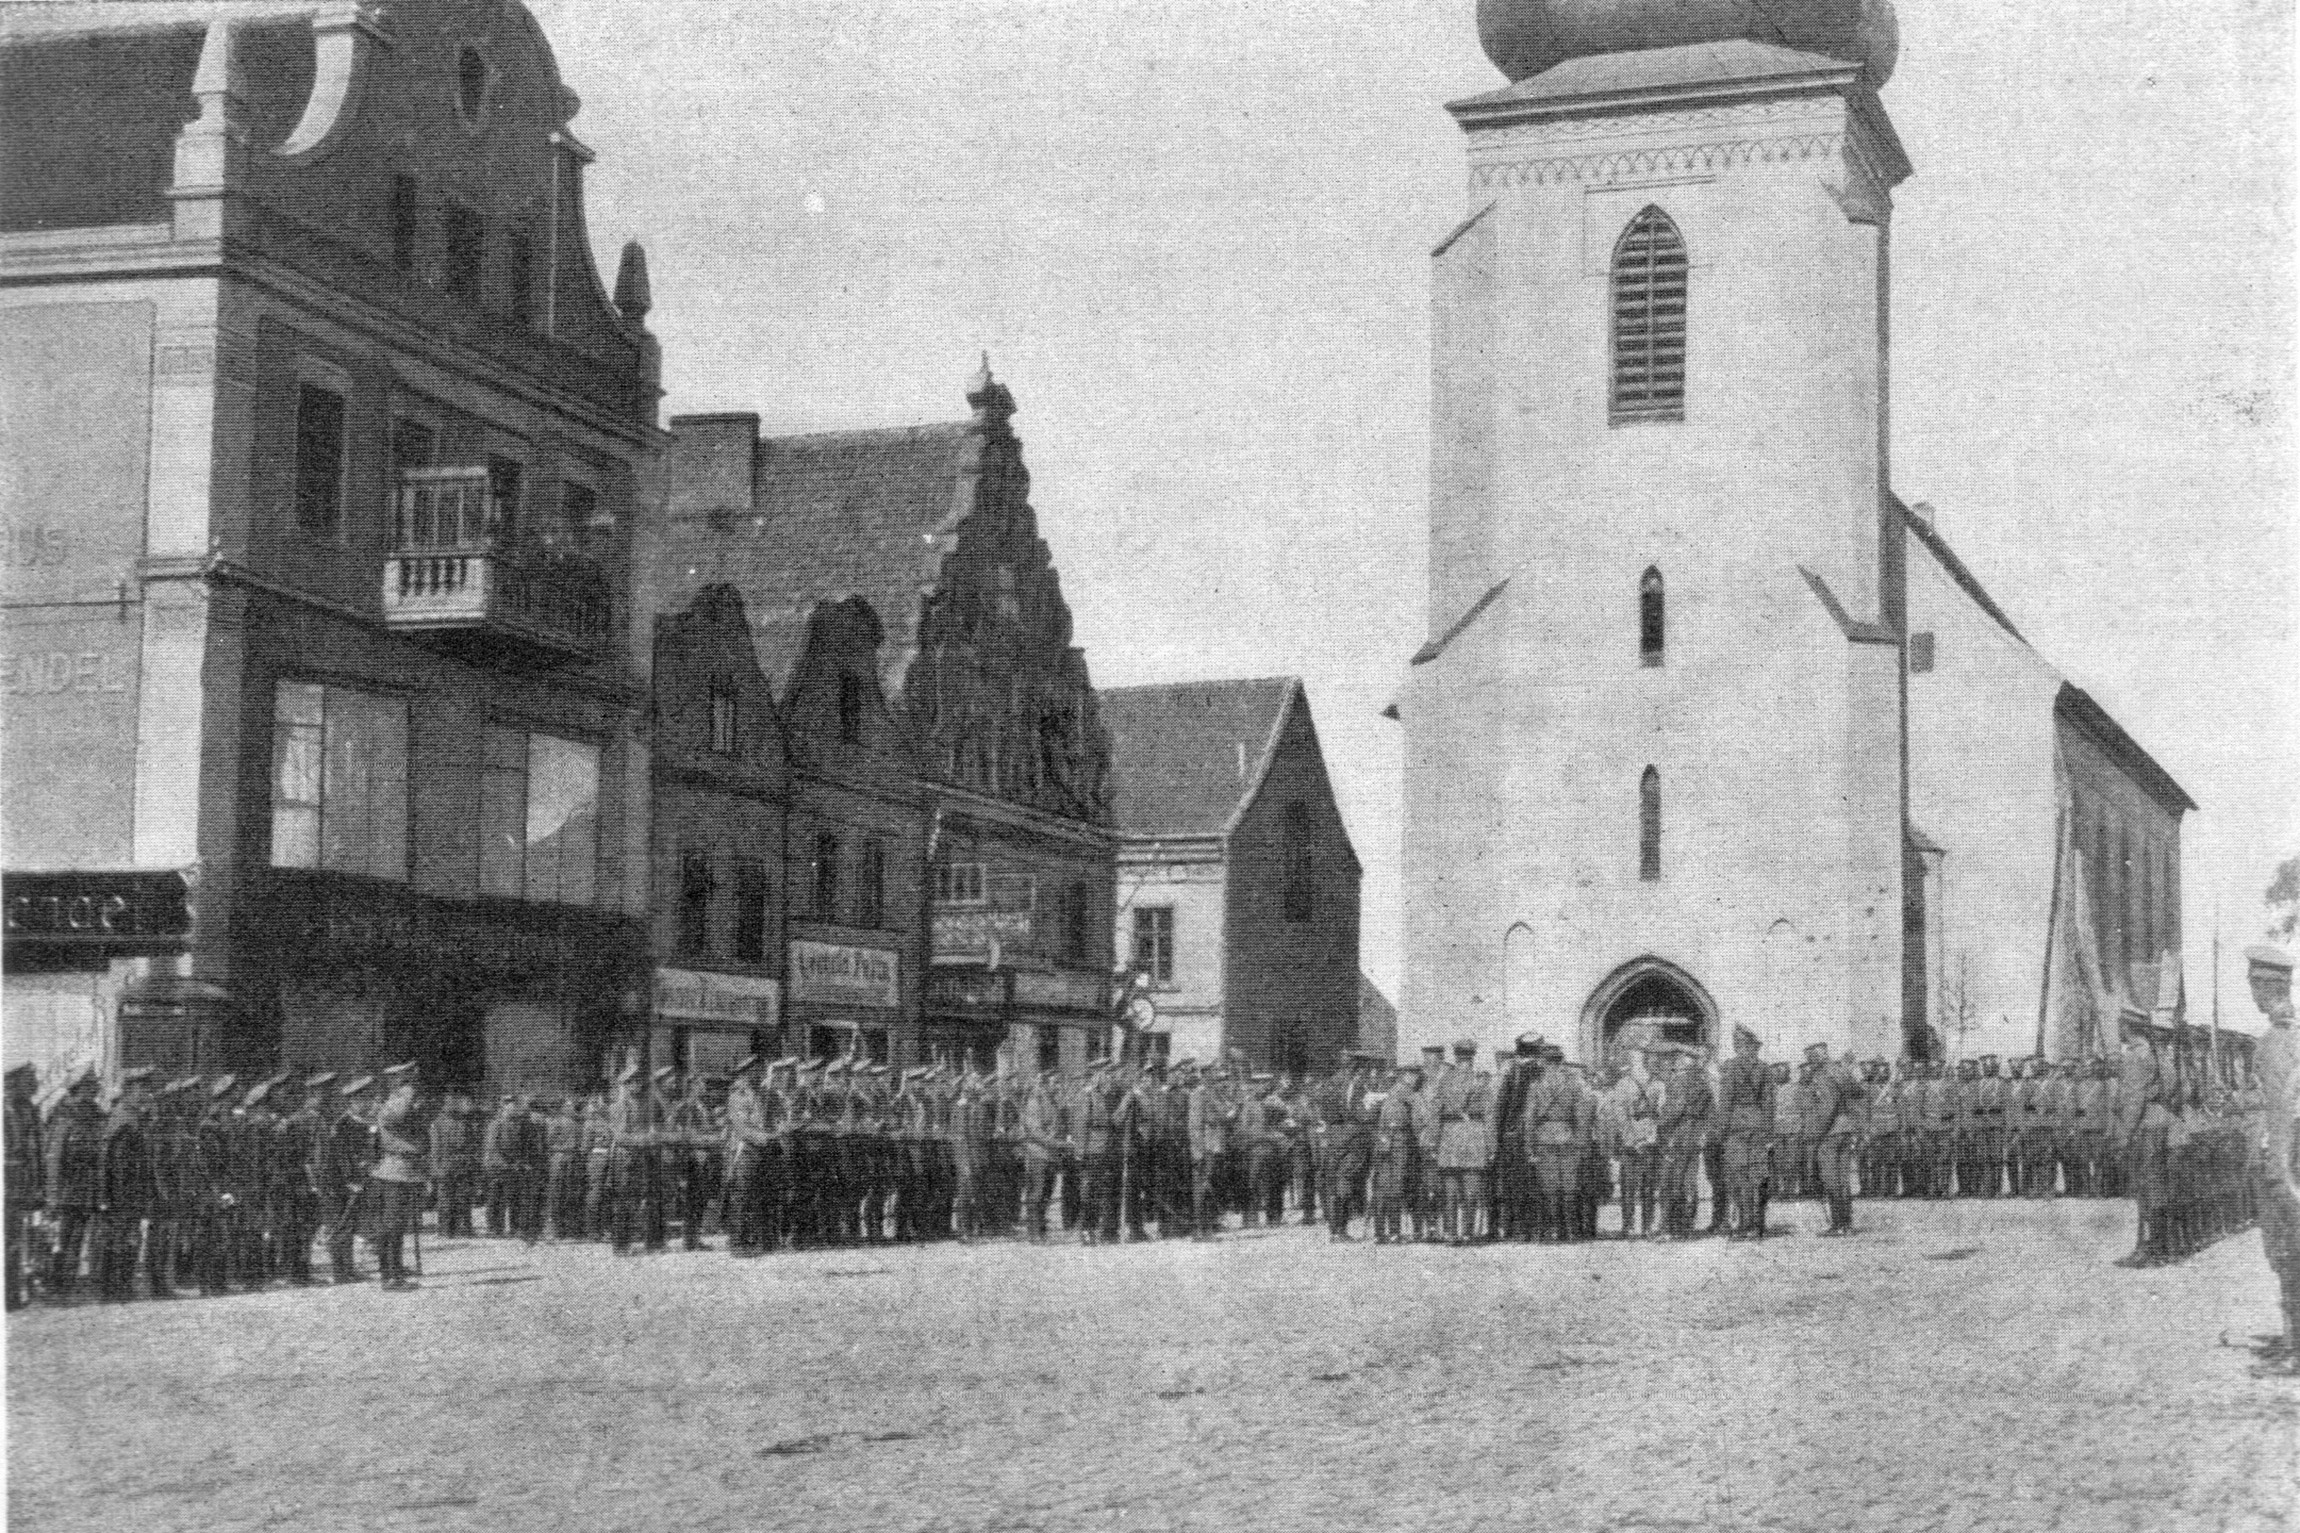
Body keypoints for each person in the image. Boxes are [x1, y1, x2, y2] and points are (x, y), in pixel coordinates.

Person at [2245, 945, 2298, 1371]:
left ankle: (2296, 1346)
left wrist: (2278, 1167)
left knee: (2287, 1250)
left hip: (2289, 1160)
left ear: (2266, 987)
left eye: (2253, 985)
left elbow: (2283, 1107)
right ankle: (2292, 1338)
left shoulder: (2276, 1041)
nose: (2251, 994)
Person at [2113, 1027, 2178, 1267]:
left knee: (2145, 1188)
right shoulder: (2159, 1055)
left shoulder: (2134, 1056)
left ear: (2126, 1027)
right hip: (2161, 1122)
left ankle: (2147, 1249)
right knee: (2158, 1186)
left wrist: (2123, 1136)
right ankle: (2161, 1246)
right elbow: (2172, 1086)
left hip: (2144, 1126)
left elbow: (2133, 1099)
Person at [44, 1071, 106, 1299]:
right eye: (90, 1086)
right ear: (78, 1087)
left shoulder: (97, 1115)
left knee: (77, 1238)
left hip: (88, 1189)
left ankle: (68, 1284)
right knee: (61, 1239)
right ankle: (55, 1284)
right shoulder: (63, 1115)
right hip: (67, 1190)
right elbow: (54, 1159)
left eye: (95, 1085)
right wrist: (52, 1196)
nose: (96, 1089)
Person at [368, 1062, 427, 1290]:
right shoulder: (394, 1104)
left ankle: (395, 1271)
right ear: (397, 1079)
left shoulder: (402, 1101)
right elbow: (400, 1117)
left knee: (397, 1224)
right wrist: (409, 1093)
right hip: (394, 1171)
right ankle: (390, 1275)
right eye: (407, 1077)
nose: (412, 1081)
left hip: (405, 1170)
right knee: (392, 1225)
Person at [314, 1074, 373, 1284]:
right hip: (338, 1181)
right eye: (362, 1100)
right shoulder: (343, 1124)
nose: (367, 1104)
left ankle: (347, 1268)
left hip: (350, 1179)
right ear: (352, 1102)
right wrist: (351, 1178)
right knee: (339, 1224)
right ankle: (340, 1271)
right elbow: (340, 1154)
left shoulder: (360, 1123)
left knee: (347, 1225)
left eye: (368, 1099)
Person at [1717, 1027, 1774, 1239]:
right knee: (1757, 1178)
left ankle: (1744, 1225)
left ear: (1737, 1046)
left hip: (1736, 1128)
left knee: (1739, 1178)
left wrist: (1722, 1133)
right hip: (1758, 1126)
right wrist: (1768, 1134)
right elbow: (1769, 1104)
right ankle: (1757, 1226)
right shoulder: (1765, 1069)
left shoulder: (1730, 1068)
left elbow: (1725, 1103)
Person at [1434, 1039, 1492, 1244]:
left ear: (1456, 1057)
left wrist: (1433, 1142)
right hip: (1474, 1136)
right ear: (1472, 1057)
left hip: (1449, 1137)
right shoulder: (1480, 1080)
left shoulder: (1444, 1079)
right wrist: (1491, 1146)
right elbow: (1489, 1115)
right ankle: (1467, 1232)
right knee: (1471, 1189)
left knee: (1450, 1190)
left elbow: (1435, 1113)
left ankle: (1450, 1233)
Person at [1802, 1043, 1863, 1235]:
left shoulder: (1822, 1075)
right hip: (1846, 1130)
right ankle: (1846, 1224)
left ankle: (1838, 1225)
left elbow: (1827, 1108)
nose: (1809, 1063)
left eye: (1810, 1058)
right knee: (1842, 1179)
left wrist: (1814, 1134)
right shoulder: (1840, 1070)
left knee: (1831, 1179)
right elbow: (1858, 1092)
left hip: (1830, 1132)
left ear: (1816, 1057)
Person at [1656, 1046, 1712, 1237]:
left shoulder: (1679, 1082)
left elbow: (1674, 1110)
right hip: (1694, 1137)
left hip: (1677, 1136)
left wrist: (1660, 1124)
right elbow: (1710, 1114)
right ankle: (1687, 1225)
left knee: (1671, 1181)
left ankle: (1670, 1227)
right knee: (1689, 1181)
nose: (1673, 1064)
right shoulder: (1703, 1083)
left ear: (1682, 1063)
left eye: (1676, 1061)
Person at [5, 1065, 43, 1309]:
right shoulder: (6, 1111)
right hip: (9, 1186)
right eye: (30, 1080)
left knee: (17, 1240)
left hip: (23, 1186)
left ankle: (14, 1292)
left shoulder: (28, 1109)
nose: (35, 1084)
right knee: (9, 1241)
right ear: (15, 1082)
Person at [430, 1090, 481, 1238]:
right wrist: (436, 1168)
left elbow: (471, 1145)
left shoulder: (456, 1121)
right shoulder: (442, 1122)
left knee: (458, 1198)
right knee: (451, 1198)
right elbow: (435, 1147)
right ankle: (451, 1229)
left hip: (454, 1164)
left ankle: (454, 1229)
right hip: (452, 1164)